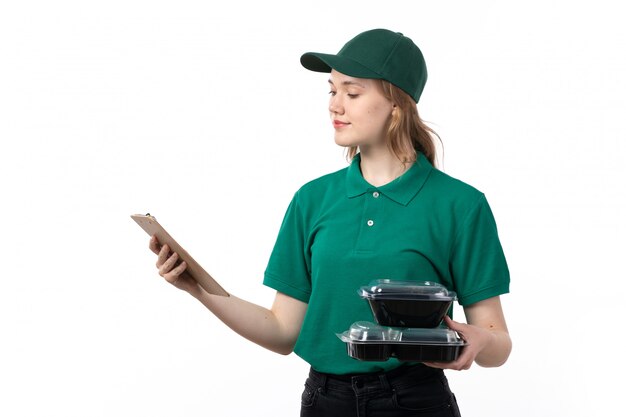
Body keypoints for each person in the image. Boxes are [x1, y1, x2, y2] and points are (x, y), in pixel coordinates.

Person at [149, 28, 512, 417]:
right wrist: (199, 291)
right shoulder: (312, 199)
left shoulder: (461, 205)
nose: (335, 106)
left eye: (352, 93)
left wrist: (477, 341)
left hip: (416, 402)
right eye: (332, 91)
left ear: (397, 104)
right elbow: (282, 331)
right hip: (324, 402)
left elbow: (498, 341)